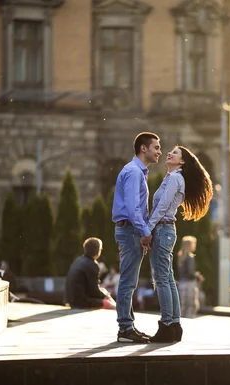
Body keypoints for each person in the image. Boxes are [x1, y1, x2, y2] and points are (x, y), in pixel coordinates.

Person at [146, 146, 213, 343]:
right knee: (167, 278)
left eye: (175, 153)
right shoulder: (172, 177)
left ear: (182, 161)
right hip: (165, 230)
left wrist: (147, 229)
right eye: (170, 151)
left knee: (162, 279)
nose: (169, 153)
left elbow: (162, 207)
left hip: (162, 228)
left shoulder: (175, 178)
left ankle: (167, 324)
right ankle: (174, 324)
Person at [112, 132, 161, 343]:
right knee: (127, 281)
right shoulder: (133, 172)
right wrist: (145, 232)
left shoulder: (137, 171)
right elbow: (133, 209)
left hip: (131, 230)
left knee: (129, 280)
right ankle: (124, 328)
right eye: (156, 147)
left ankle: (128, 325)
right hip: (131, 229)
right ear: (144, 148)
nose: (159, 152)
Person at [64, 238, 116, 310]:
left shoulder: (78, 260)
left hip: (71, 300)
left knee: (104, 291)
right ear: (98, 251)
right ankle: (120, 311)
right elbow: (94, 291)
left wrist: (104, 294)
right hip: (81, 302)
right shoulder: (92, 265)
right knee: (110, 304)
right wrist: (105, 295)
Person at [177, 236, 202, 319]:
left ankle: (181, 320)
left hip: (182, 283)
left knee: (183, 304)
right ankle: (189, 319)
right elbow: (191, 273)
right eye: (193, 244)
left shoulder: (180, 256)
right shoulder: (190, 257)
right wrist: (198, 276)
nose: (194, 245)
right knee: (192, 305)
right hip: (190, 284)